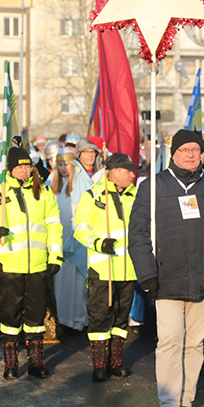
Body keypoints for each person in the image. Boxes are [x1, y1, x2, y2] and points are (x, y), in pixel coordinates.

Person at [129, 129, 204, 407]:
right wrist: (147, 275)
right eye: (184, 150)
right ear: (173, 154)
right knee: (169, 340)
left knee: (194, 343)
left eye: (196, 150)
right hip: (166, 277)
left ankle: (185, 402)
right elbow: (138, 235)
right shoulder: (153, 187)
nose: (191, 155)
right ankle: (168, 403)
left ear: (203, 154)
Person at [0, 146, 62, 379]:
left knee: (35, 318)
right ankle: (10, 364)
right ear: (11, 169)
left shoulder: (44, 192)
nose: (25, 170)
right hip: (9, 265)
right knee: (10, 316)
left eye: (27, 166)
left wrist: (55, 255)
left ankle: (35, 363)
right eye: (20, 167)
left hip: (37, 265)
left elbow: (54, 226)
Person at [74, 153, 139, 381]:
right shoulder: (92, 195)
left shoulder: (137, 196)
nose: (132, 175)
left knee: (121, 321)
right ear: (113, 173)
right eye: (127, 171)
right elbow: (80, 228)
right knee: (100, 318)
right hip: (103, 270)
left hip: (129, 269)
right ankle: (100, 364)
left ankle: (116, 361)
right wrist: (99, 243)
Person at [49, 147, 88, 332]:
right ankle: (62, 320)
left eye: (67, 164)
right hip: (59, 242)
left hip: (76, 243)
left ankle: (77, 320)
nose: (64, 168)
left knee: (77, 284)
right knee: (61, 284)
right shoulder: (53, 185)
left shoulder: (82, 184)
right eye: (60, 164)